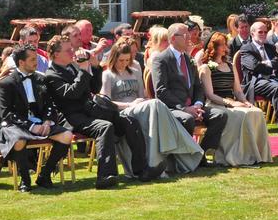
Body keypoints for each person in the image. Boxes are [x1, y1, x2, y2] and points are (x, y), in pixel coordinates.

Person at [43, 35, 166, 187]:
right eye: (68, 50)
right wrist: (83, 70)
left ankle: (141, 170)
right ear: (56, 54)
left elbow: (94, 88)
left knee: (129, 122)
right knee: (105, 127)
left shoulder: (72, 67)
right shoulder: (51, 75)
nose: (72, 52)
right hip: (72, 117)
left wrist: (94, 67)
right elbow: (71, 94)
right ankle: (105, 175)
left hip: (89, 110)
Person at [101, 37, 204, 174]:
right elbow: (106, 102)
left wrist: (141, 101)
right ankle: (181, 147)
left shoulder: (135, 70)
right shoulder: (108, 75)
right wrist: (129, 104)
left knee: (155, 104)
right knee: (156, 103)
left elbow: (142, 95)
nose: (124, 63)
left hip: (140, 107)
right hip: (123, 111)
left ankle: (166, 154)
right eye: (121, 60)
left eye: (127, 60)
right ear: (114, 58)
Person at [0, 44, 73, 192]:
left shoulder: (41, 79)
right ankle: (25, 178)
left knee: (67, 135)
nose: (36, 62)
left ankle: (45, 174)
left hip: (41, 123)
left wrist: (48, 121)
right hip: (15, 125)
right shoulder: (6, 83)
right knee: (19, 141)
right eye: (32, 59)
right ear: (21, 63)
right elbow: (7, 114)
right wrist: (31, 126)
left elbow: (49, 104)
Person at [149, 23, 228, 162]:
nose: (189, 37)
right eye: (185, 35)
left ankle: (201, 154)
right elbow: (161, 91)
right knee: (187, 119)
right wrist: (185, 108)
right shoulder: (161, 60)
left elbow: (198, 86)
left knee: (220, 115)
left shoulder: (188, 59)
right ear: (173, 38)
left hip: (193, 106)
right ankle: (185, 159)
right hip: (172, 108)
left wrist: (197, 105)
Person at [198, 33, 272, 166]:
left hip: (233, 101)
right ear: (213, 47)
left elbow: (238, 90)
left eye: (225, 44)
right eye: (221, 44)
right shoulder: (206, 68)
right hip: (215, 104)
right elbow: (210, 94)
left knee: (256, 112)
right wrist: (231, 103)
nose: (224, 47)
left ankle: (254, 153)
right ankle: (235, 155)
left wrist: (245, 102)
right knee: (241, 115)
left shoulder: (230, 66)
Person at [238, 20, 278, 134]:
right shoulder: (246, 48)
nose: (263, 34)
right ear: (252, 34)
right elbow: (255, 67)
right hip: (256, 81)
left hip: (274, 79)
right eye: (260, 32)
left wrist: (266, 63)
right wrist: (271, 65)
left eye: (265, 32)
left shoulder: (270, 47)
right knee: (277, 88)